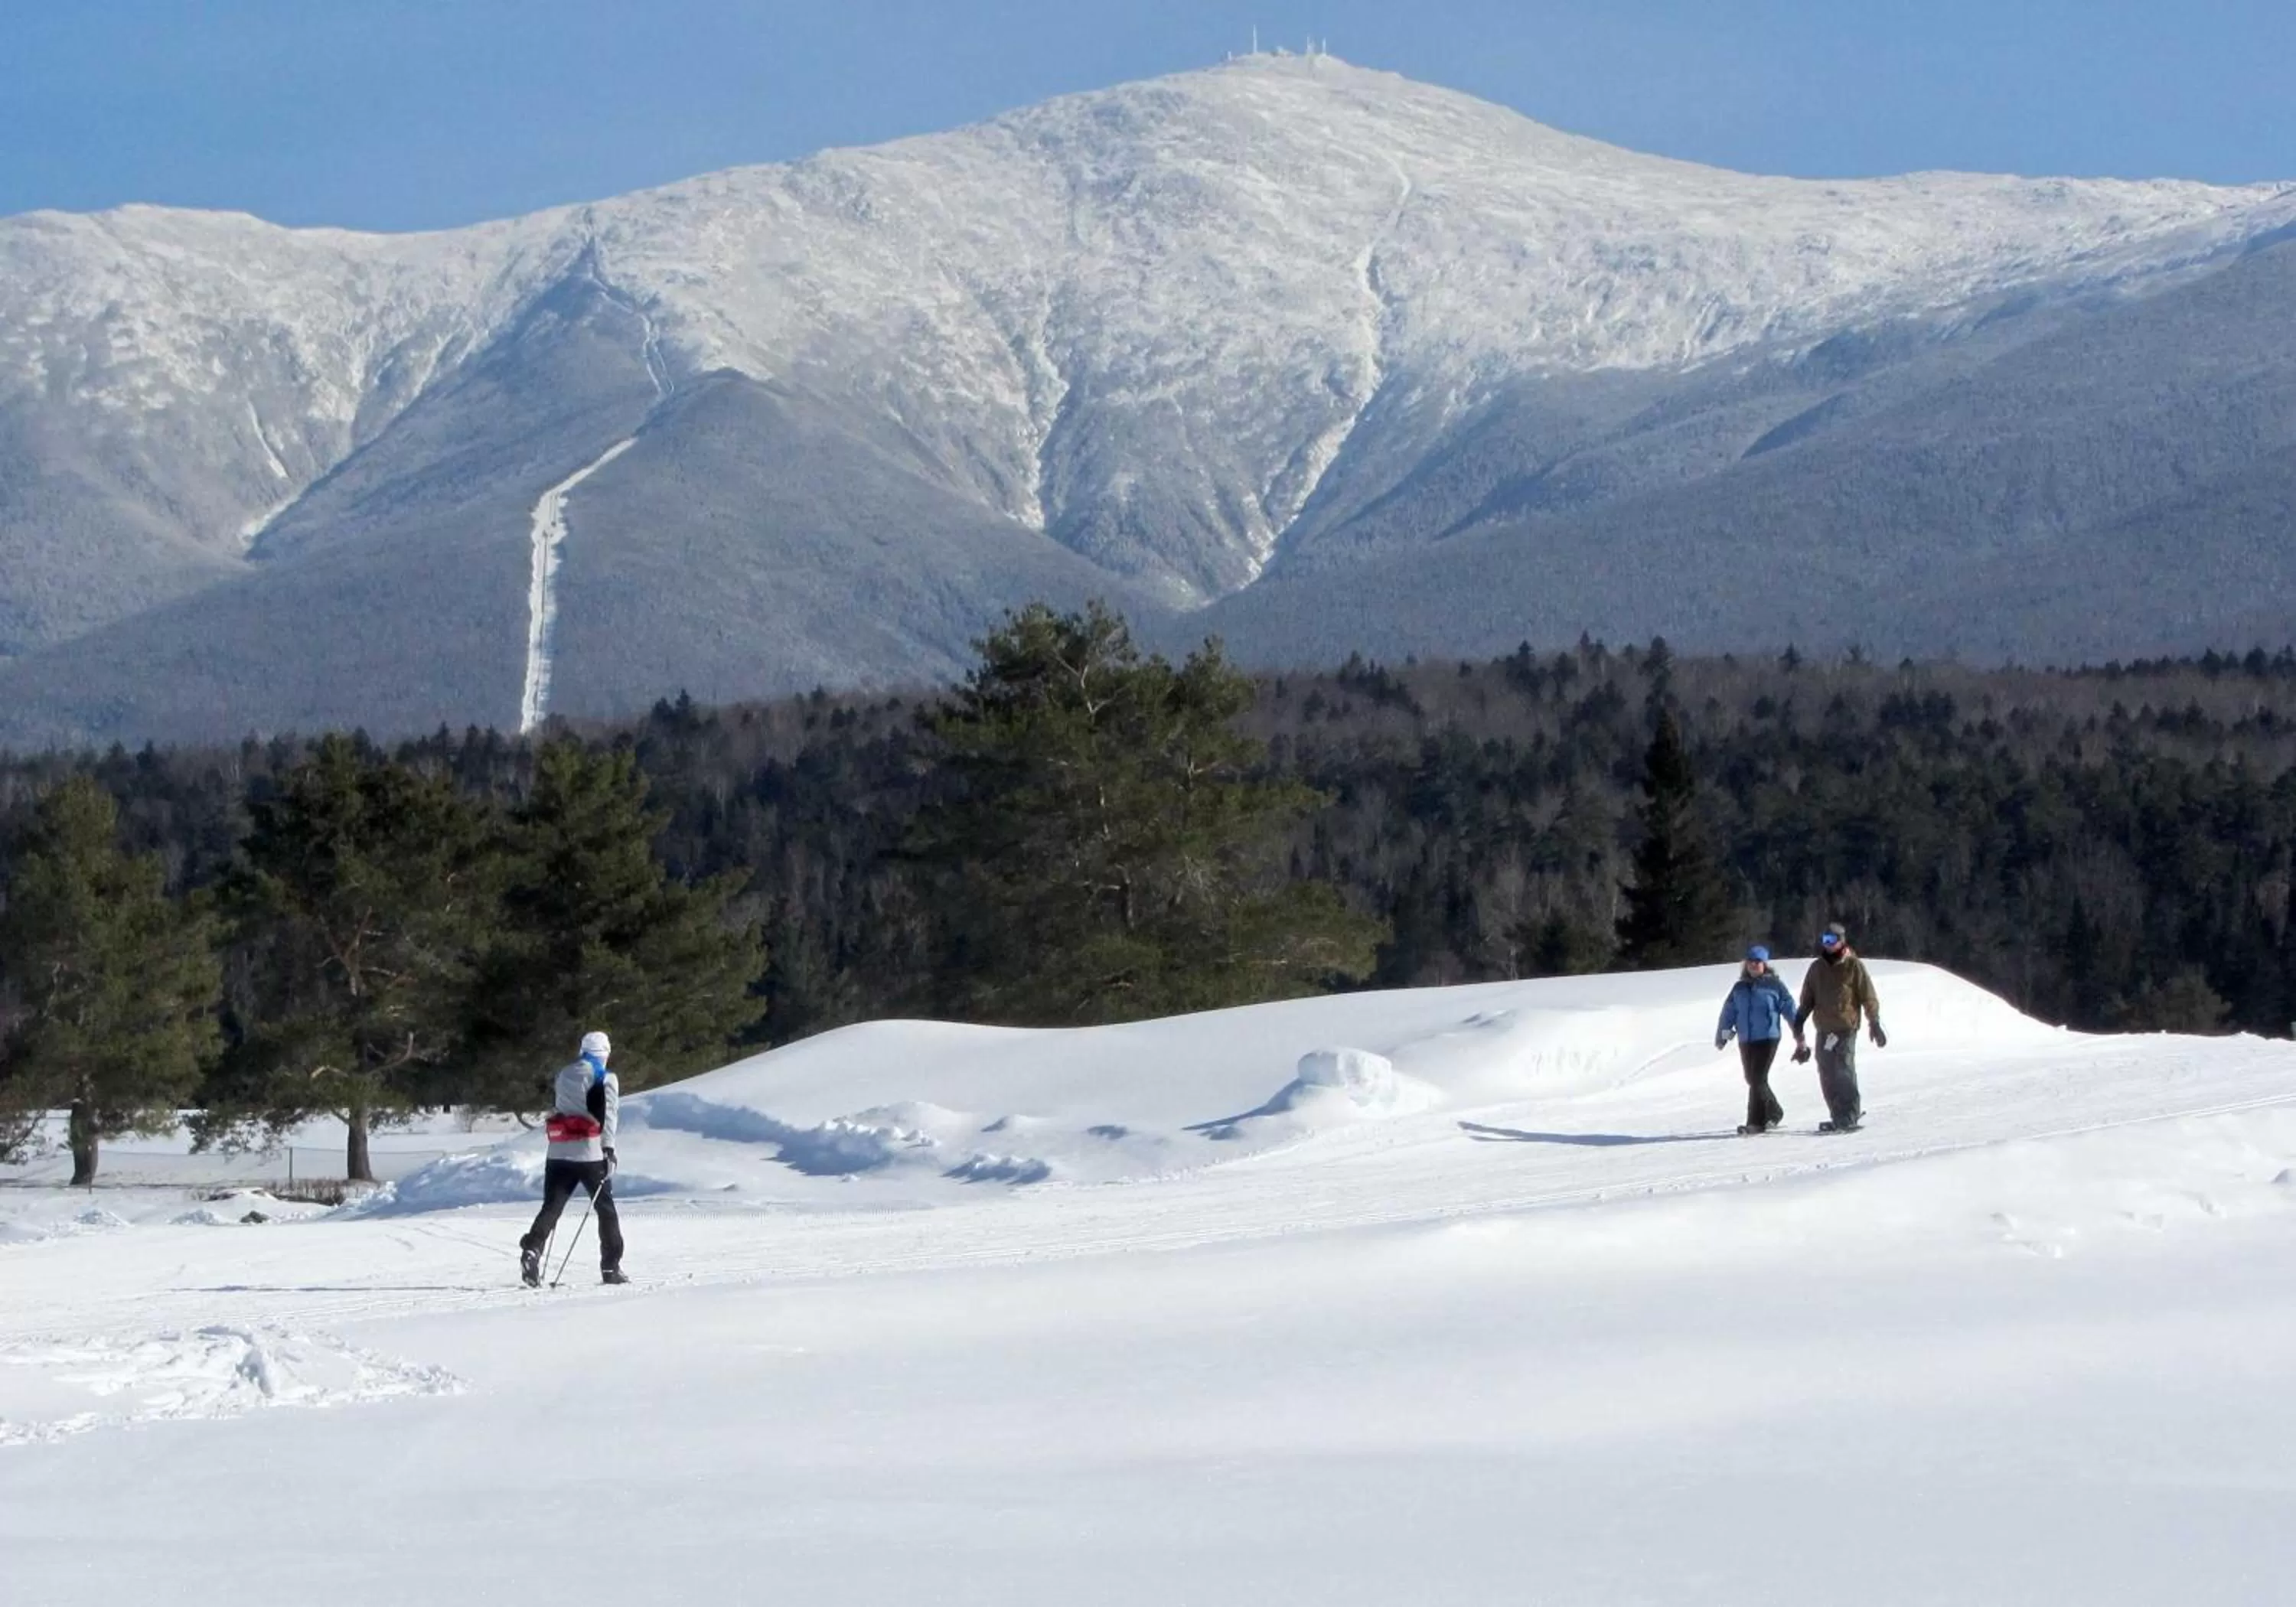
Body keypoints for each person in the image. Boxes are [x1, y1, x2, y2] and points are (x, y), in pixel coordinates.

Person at [519, 1030, 627, 1286]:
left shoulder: (564, 1074)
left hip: (558, 1151)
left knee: (552, 1207)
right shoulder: (606, 1077)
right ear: (606, 1053)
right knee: (606, 1210)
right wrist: (608, 1149)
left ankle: (532, 1250)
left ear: (582, 1051)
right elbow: (608, 1115)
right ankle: (611, 1268)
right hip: (590, 1153)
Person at [1794, 922, 1886, 1133]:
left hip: (1846, 1027)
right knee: (1826, 1072)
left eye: (1832, 941)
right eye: (1825, 941)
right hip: (1824, 1029)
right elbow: (1808, 997)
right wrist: (1801, 1017)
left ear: (1841, 941)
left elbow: (1868, 996)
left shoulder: (1853, 966)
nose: (1828, 945)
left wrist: (1875, 1022)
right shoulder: (1817, 968)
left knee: (1844, 1071)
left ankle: (1850, 1114)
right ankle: (1838, 1115)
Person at [1715, 944, 1807, 1134]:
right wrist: (1723, 1035)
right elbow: (1729, 1012)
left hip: (1768, 1038)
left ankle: (1757, 1121)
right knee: (1752, 1079)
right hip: (1746, 1039)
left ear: (1765, 964)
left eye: (1758, 962)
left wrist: (1799, 1037)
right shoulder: (1739, 988)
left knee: (1758, 1078)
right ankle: (1771, 1113)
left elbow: (1790, 1011)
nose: (1754, 965)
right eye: (1750, 962)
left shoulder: (1775, 986)